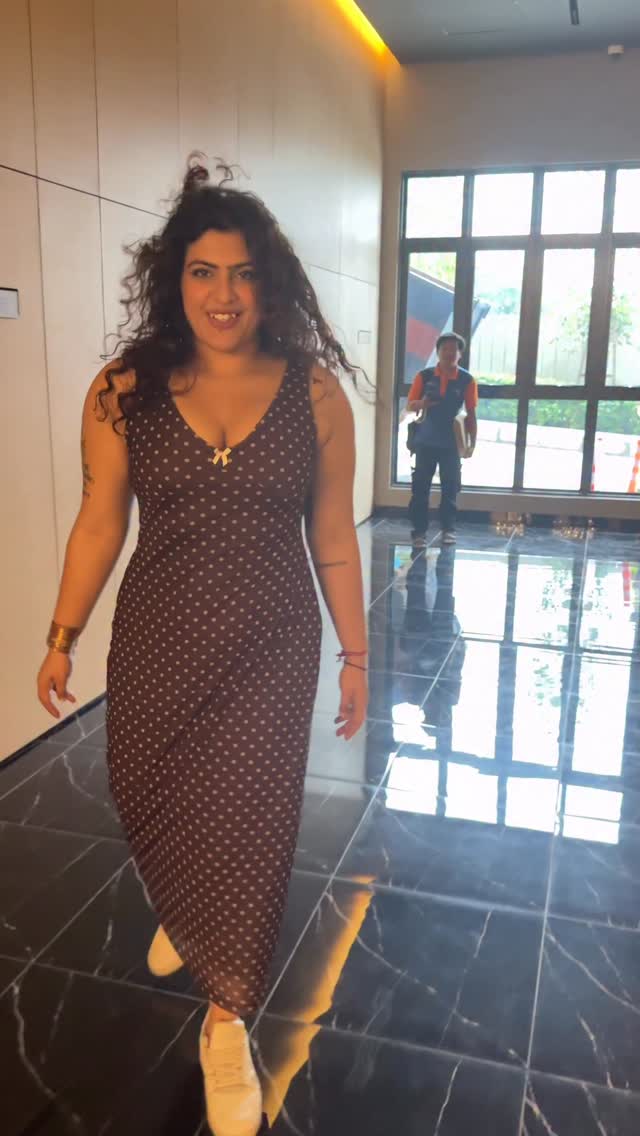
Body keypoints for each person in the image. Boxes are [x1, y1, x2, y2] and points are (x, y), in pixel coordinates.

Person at [35, 158, 369, 1136]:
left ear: (272, 283)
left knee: (251, 824)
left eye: (244, 273)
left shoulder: (314, 395)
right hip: (156, 643)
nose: (225, 295)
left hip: (271, 648)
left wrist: (356, 655)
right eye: (203, 272)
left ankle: (228, 1019)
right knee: (147, 789)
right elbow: (100, 523)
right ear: (173, 278)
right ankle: (184, 911)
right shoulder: (124, 389)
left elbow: (334, 537)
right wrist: (61, 635)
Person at [407, 331, 478, 548]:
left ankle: (448, 529)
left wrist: (472, 443)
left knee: (450, 488)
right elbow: (410, 405)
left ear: (460, 354)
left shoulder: (467, 380)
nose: (449, 353)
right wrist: (423, 404)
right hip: (425, 441)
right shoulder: (424, 376)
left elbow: (471, 413)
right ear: (437, 352)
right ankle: (419, 532)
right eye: (444, 349)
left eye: (453, 349)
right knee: (420, 489)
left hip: (452, 443)